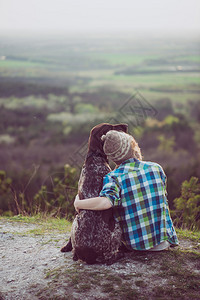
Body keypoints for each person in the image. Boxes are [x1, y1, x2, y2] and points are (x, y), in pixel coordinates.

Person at [74, 130, 179, 251]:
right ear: (133, 146)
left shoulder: (114, 177)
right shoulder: (156, 168)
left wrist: (78, 203)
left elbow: (105, 202)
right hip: (163, 242)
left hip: (135, 245)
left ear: (112, 158)